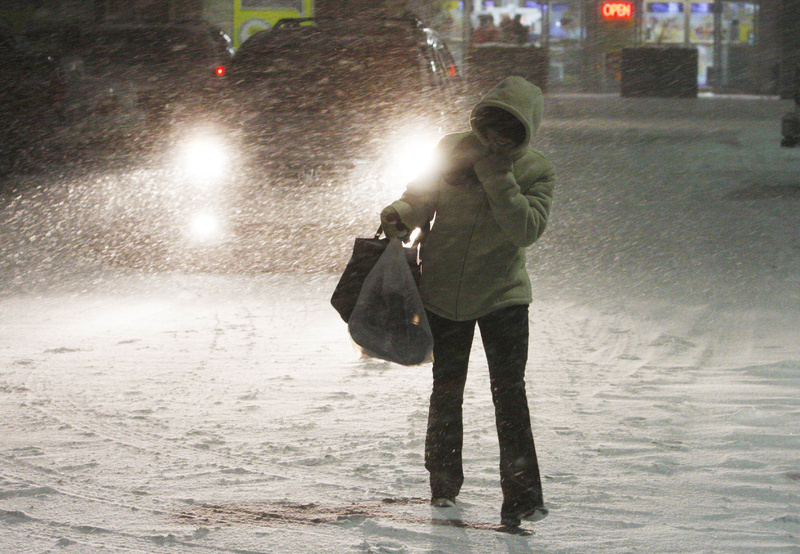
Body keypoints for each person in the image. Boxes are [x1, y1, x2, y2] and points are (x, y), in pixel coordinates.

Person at [380, 76, 556, 528]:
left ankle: (521, 495)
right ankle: (442, 484)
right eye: (491, 126)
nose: (495, 138)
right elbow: (421, 197)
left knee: (509, 397)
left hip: (504, 298)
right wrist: (400, 213)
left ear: (525, 131)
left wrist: (499, 178)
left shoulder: (535, 169)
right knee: (446, 390)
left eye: (509, 130)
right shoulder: (452, 148)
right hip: (442, 293)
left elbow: (526, 231)